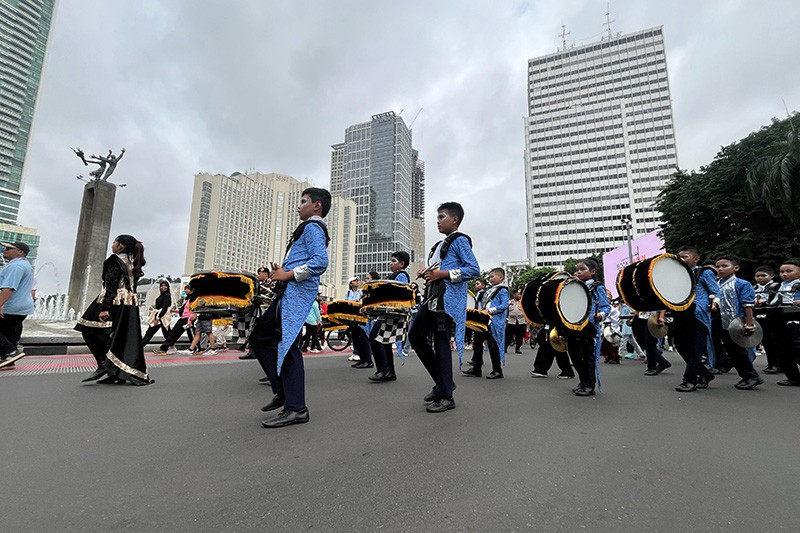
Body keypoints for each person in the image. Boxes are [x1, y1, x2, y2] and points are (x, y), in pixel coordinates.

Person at [254, 187, 330, 428]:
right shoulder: (307, 229)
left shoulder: (312, 227)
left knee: (285, 345)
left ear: (316, 205)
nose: (299, 206)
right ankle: (284, 393)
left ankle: (295, 406)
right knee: (265, 339)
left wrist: (287, 274)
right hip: (289, 292)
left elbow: (320, 262)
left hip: (295, 294)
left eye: (303, 201)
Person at [409, 202, 479, 413]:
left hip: (446, 301)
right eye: (437, 218)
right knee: (416, 336)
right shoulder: (438, 246)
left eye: (442, 217)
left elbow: (473, 269)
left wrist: (443, 274)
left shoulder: (459, 240)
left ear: (454, 219)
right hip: (432, 298)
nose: (437, 221)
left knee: (440, 342)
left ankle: (446, 395)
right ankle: (443, 382)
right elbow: (439, 268)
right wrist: (428, 271)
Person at [76, 234, 153, 386]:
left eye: (114, 242)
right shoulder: (132, 262)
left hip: (113, 300)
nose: (112, 245)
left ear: (121, 246)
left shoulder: (114, 260)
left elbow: (110, 285)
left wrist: (104, 308)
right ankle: (115, 372)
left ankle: (103, 364)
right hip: (128, 304)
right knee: (118, 336)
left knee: (88, 329)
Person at [672, 246, 720, 392]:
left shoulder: (704, 272)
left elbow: (716, 291)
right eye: (679, 257)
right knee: (680, 345)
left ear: (696, 258)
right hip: (680, 313)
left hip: (698, 314)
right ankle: (705, 374)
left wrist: (714, 303)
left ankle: (689, 380)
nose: (682, 259)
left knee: (695, 348)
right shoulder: (676, 275)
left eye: (685, 256)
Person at [713, 256, 763, 389]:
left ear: (735, 268)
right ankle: (747, 376)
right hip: (720, 321)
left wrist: (749, 323)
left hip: (736, 322)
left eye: (724, 266)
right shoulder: (716, 283)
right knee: (731, 351)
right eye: (718, 266)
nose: (720, 269)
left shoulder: (742, 284)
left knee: (739, 351)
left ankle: (751, 376)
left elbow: (747, 305)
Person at [566, 258, 610, 397]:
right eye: (577, 269)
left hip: (589, 327)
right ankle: (583, 381)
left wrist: (600, 315)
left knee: (587, 356)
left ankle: (589, 385)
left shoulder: (597, 287)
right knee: (574, 354)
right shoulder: (575, 286)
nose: (578, 272)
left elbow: (605, 307)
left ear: (592, 271)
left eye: (582, 269)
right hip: (574, 325)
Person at [368, 251, 411, 382]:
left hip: (392, 313)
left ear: (402, 264)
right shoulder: (393, 275)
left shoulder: (401, 275)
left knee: (375, 337)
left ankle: (384, 370)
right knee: (384, 340)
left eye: (393, 261)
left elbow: (400, 293)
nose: (390, 263)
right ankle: (389, 371)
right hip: (387, 313)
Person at [463, 267, 508, 379]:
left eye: (493, 276)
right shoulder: (489, 290)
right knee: (477, 342)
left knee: (493, 345)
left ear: (501, 277)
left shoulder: (503, 290)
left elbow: (504, 305)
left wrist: (490, 310)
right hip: (484, 320)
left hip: (494, 321)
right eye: (490, 276)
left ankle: (497, 370)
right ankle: (476, 369)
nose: (490, 278)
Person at [0, 242, 34, 370]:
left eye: (9, 248)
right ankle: (8, 360)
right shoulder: (25, 265)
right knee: (8, 332)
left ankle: (10, 353)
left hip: (12, 306)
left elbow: (9, 288)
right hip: (22, 308)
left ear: (20, 252)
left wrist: (0, 304)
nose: (5, 250)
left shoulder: (17, 266)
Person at [774, 259, 800, 387]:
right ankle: (793, 377)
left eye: (789, 271)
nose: (784, 274)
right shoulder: (779, 286)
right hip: (781, 316)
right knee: (783, 349)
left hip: (797, 317)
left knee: (797, 347)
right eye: (782, 271)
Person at [753, 265, 781, 374]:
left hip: (771, 315)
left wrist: (765, 302)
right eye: (757, 276)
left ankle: (776, 364)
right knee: (766, 340)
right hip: (758, 315)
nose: (760, 278)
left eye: (763, 275)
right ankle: (771, 363)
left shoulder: (776, 286)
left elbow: (777, 299)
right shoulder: (755, 287)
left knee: (773, 340)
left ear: (772, 276)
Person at [154, 285, 195, 355]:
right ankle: (164, 348)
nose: (186, 291)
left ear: (192, 291)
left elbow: (192, 311)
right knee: (174, 333)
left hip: (187, 319)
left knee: (189, 334)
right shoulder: (187, 299)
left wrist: (189, 321)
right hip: (183, 318)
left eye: (188, 289)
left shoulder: (193, 299)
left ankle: (197, 348)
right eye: (185, 289)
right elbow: (184, 310)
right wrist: (174, 311)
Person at [141, 280, 172, 346]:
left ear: (168, 287)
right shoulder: (162, 295)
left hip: (162, 317)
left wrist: (158, 318)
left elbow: (165, 308)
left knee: (150, 332)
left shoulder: (166, 295)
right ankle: (171, 346)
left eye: (165, 285)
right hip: (160, 316)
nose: (163, 287)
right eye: (161, 286)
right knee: (166, 333)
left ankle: (140, 346)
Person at [505, 289, 526, 354]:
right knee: (508, 335)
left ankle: (518, 348)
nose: (519, 295)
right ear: (514, 295)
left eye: (520, 294)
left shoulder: (523, 303)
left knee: (520, 336)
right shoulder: (509, 302)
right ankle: (505, 347)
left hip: (521, 321)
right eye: (518, 294)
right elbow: (506, 311)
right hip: (511, 321)